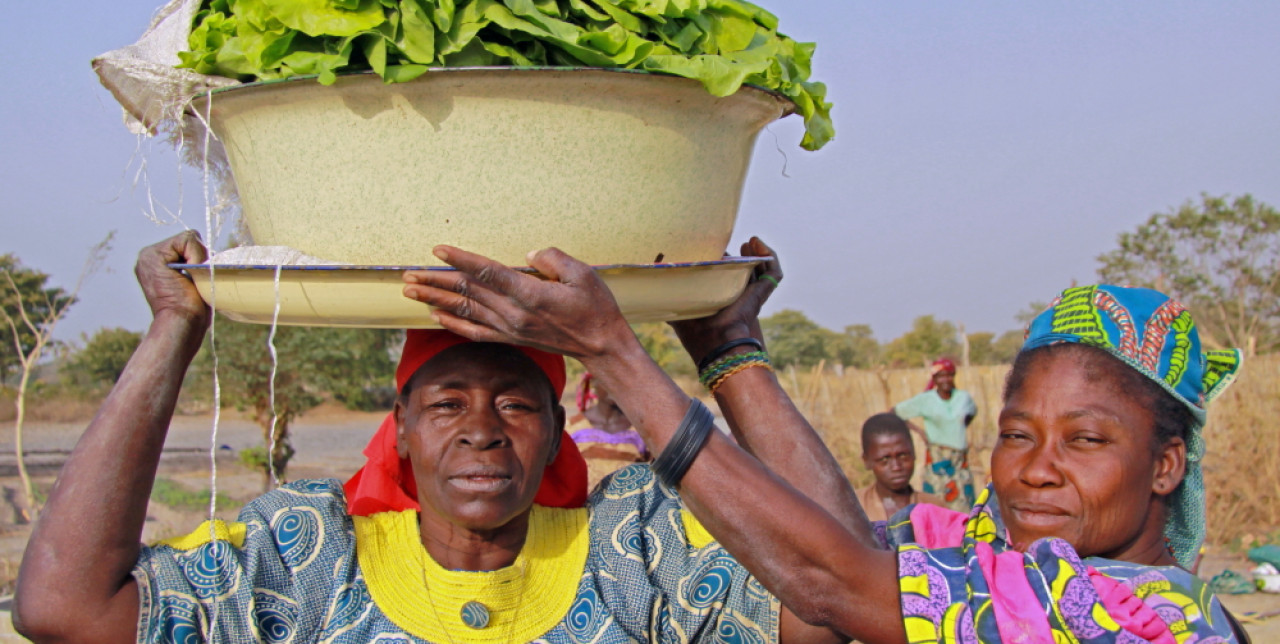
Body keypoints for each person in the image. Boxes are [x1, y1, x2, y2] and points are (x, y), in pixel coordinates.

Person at [11, 232, 853, 644]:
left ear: (561, 431)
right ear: (402, 433)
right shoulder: (306, 559)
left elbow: (836, 596)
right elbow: (65, 610)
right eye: (448, 405)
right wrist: (171, 329)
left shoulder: (634, 551)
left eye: (517, 406)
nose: (482, 431)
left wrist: (727, 349)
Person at [405, 241, 1249, 643]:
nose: (1035, 468)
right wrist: (728, 349)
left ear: (1166, 464)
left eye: (1088, 439)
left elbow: (830, 584)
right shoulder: (1001, 560)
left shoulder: (1141, 618)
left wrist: (615, 354)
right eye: (1017, 433)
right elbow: (844, 554)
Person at [893, 358, 978, 511]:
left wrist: (958, 428)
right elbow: (895, 412)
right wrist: (919, 432)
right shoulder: (926, 400)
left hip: (960, 463)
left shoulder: (963, 398)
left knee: (965, 511)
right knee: (937, 509)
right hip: (938, 461)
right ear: (934, 379)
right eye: (940, 376)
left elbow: (971, 414)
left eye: (949, 375)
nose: (945, 379)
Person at [858, 413, 946, 523]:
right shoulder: (855, 507)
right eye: (885, 459)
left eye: (903, 455)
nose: (896, 467)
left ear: (913, 453)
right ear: (867, 461)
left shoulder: (935, 508)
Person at [568, 373, 650, 490]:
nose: (615, 387)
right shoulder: (572, 427)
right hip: (583, 507)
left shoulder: (640, 430)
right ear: (594, 383)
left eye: (621, 382)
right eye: (608, 380)